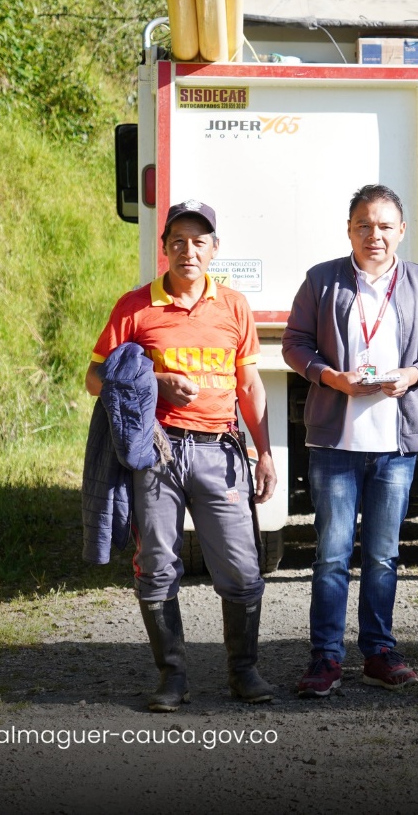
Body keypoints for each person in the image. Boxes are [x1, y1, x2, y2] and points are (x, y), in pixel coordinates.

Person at [86, 200, 278, 710]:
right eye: (178, 241)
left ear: (215, 249)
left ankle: (244, 673)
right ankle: (171, 678)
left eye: (199, 241)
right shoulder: (134, 307)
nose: (188, 251)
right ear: (164, 247)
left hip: (221, 450)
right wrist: (155, 379)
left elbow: (250, 384)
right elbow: (94, 378)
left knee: (241, 568)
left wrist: (265, 453)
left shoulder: (234, 306)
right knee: (157, 563)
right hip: (157, 453)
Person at [282, 184, 418, 698]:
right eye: (364, 225)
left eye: (384, 226)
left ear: (401, 231)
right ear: (349, 230)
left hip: (396, 444)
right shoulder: (323, 279)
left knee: (382, 555)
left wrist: (416, 374)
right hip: (336, 441)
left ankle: (379, 651)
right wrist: (329, 377)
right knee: (332, 554)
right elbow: (295, 343)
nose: (374, 235)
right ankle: (326, 658)